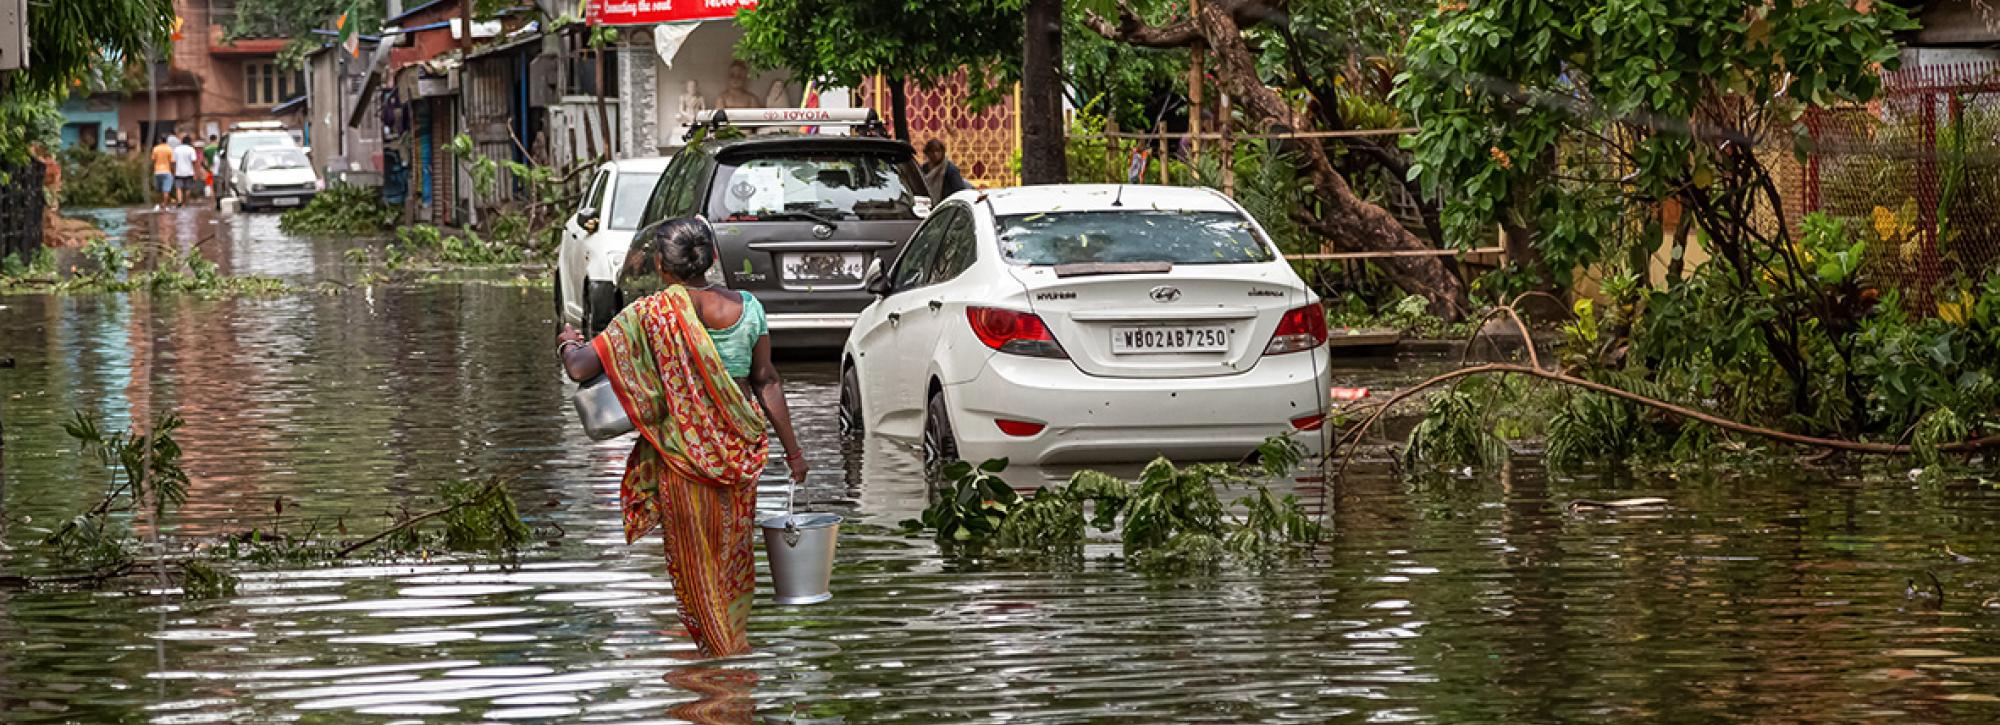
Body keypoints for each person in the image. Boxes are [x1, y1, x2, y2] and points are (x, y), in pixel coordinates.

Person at [555, 217, 808, 658]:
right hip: (739, 461)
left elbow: (580, 368)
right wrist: (794, 453)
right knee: (731, 563)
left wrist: (567, 341)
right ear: (711, 258)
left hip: (683, 464)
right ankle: (731, 664)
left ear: (660, 264)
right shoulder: (748, 308)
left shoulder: (649, 315)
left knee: (697, 571)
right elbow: (767, 382)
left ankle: (718, 675)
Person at [172, 134, 202, 207]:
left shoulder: (176, 149)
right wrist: (196, 172)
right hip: (189, 172)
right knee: (188, 188)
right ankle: (185, 203)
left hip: (178, 172)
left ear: (182, 141)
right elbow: (194, 161)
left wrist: (173, 171)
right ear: (189, 142)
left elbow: (173, 162)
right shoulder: (191, 149)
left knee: (178, 188)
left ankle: (179, 201)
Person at [150, 136, 175, 210]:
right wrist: (173, 171)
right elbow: (172, 162)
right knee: (166, 191)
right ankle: (165, 205)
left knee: (158, 190)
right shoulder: (169, 149)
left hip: (157, 171)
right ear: (166, 141)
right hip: (167, 171)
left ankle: (158, 205)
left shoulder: (155, 149)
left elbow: (153, 160)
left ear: (160, 140)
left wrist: (152, 170)